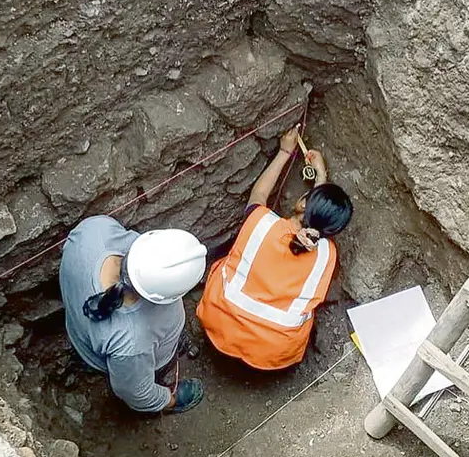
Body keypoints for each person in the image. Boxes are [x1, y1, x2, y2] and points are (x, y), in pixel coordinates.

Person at [196, 127, 353, 370]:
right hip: (274, 354)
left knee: (226, 263)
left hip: (219, 324)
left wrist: (284, 152)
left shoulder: (261, 223)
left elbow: (259, 193)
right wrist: (321, 176)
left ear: (303, 204)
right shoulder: (327, 255)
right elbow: (314, 226)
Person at [59, 216, 207, 414]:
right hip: (131, 361)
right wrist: (167, 399)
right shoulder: (132, 343)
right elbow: (137, 393)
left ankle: (173, 343)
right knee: (141, 378)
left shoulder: (93, 231)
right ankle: (169, 398)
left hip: (83, 330)